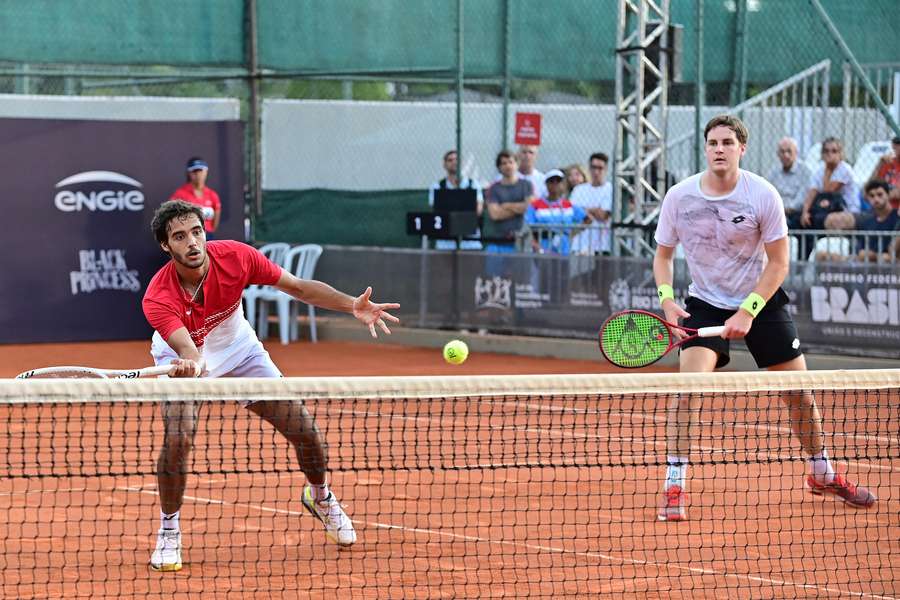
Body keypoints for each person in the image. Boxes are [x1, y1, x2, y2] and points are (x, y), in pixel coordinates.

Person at [142, 200, 400, 571]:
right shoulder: (159, 296)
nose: (192, 243)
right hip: (182, 359)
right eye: (180, 237)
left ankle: (321, 497)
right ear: (167, 246)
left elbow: (297, 287)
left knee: (305, 430)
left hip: (240, 352)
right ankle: (169, 530)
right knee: (179, 436)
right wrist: (193, 366)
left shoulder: (237, 257)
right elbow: (187, 348)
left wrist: (350, 306)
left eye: (196, 232)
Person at [653, 115, 876, 522]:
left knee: (799, 394)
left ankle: (821, 472)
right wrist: (668, 302)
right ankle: (674, 482)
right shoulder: (679, 198)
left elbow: (779, 263)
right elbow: (663, 255)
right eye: (712, 142)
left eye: (727, 142)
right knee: (687, 390)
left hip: (761, 299)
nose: (719, 149)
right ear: (705, 149)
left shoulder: (763, 195)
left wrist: (748, 310)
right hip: (703, 304)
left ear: (741, 148)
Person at [427, 149, 483, 250]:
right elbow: (436, 211)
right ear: (444, 164)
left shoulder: (474, 184)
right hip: (445, 243)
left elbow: (478, 210)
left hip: (470, 242)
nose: (454, 162)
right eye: (450, 160)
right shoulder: (436, 186)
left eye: (457, 159)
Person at [800, 138, 860, 231]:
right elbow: (811, 193)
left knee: (819, 219)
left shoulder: (845, 169)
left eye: (834, 151)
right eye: (826, 151)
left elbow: (829, 191)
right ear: (822, 154)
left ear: (840, 154)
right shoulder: (819, 170)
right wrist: (805, 212)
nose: (829, 154)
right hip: (827, 210)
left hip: (847, 211)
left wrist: (828, 170)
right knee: (800, 220)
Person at [524, 169, 586, 255]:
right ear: (546, 184)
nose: (555, 184)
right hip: (543, 248)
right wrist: (536, 246)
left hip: (563, 249)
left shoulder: (568, 205)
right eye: (551, 181)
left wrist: (572, 234)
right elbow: (528, 227)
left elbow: (587, 218)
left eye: (558, 181)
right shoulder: (536, 205)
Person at [570, 152, 613, 255]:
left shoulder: (610, 189)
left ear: (606, 169)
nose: (596, 172)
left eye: (600, 168)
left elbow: (602, 215)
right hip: (579, 245)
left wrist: (584, 210)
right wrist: (593, 210)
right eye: (593, 167)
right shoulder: (579, 189)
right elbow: (572, 213)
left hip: (601, 247)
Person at [767, 137, 812, 229]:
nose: (786, 155)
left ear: (796, 153)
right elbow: (766, 193)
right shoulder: (774, 171)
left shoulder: (805, 171)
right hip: (776, 211)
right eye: (782, 152)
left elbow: (801, 199)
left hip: (795, 212)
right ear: (778, 154)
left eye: (789, 151)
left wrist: (785, 209)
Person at [170, 157, 222, 236]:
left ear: (206, 172)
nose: (198, 174)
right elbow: (171, 215)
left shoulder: (212, 195)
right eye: (194, 171)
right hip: (188, 235)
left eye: (200, 171)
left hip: (208, 235)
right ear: (188, 173)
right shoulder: (179, 194)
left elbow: (215, 221)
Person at [854, 179, 899, 262]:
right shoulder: (866, 222)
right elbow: (861, 251)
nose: (876, 199)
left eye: (880, 194)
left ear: (888, 195)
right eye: (872, 196)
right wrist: (875, 256)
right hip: (870, 266)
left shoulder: (898, 217)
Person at [869, 136, 900, 209]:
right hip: (884, 209)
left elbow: (897, 194)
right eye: (896, 145)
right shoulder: (887, 163)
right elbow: (871, 185)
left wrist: (878, 196)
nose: (898, 148)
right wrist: (880, 163)